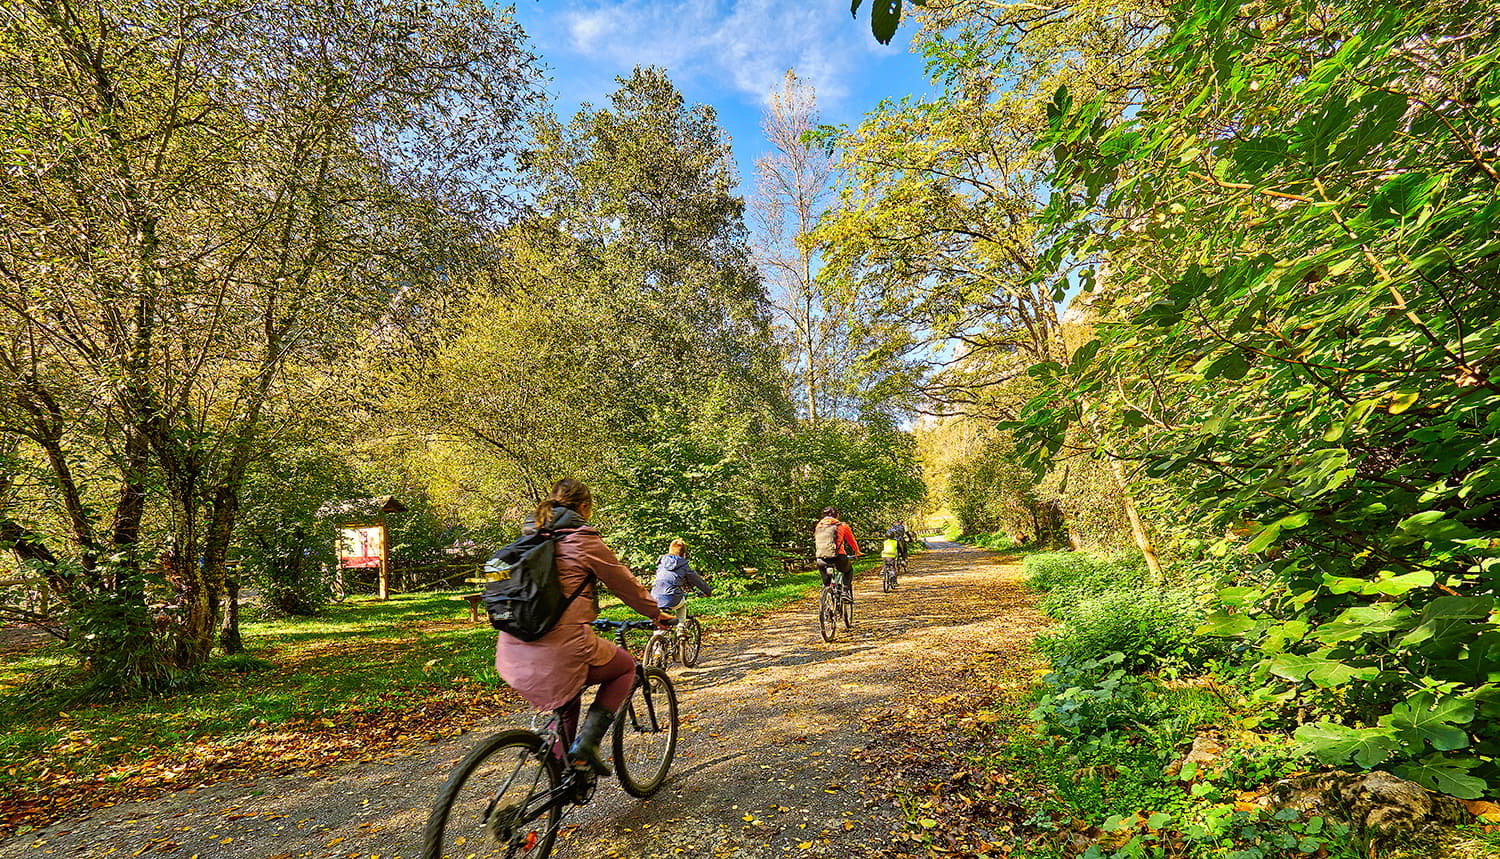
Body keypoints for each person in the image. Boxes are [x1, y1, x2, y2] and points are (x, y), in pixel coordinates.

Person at [493, 479, 671, 775]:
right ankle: (586, 747)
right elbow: (625, 585)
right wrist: (657, 614)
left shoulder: (529, 537)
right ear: (584, 508)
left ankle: (559, 768)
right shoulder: (582, 539)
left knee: (568, 690)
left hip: (513, 648)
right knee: (626, 667)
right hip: (561, 647)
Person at [652, 538, 713, 610]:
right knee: (682, 604)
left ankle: (657, 619)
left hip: (654, 598)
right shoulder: (683, 565)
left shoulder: (661, 563)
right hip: (672, 598)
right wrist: (708, 591)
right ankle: (681, 621)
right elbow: (697, 580)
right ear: (684, 554)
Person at [813, 507, 860, 594]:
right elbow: (851, 541)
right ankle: (845, 591)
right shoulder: (842, 525)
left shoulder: (819, 526)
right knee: (848, 571)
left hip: (821, 559)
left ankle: (826, 593)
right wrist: (857, 551)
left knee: (827, 583)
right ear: (836, 515)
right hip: (839, 557)